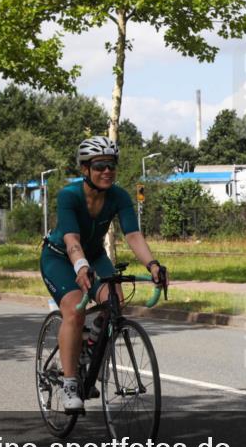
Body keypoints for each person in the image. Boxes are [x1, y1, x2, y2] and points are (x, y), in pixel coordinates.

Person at [40, 136, 168, 414]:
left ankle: (89, 342)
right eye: (99, 166)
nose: (107, 171)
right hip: (61, 257)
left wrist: (153, 265)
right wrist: (80, 266)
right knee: (74, 310)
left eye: (111, 165)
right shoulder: (69, 196)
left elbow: (133, 234)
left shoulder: (119, 196)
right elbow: (72, 238)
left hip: (95, 255)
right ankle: (70, 382)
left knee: (116, 300)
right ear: (85, 169)